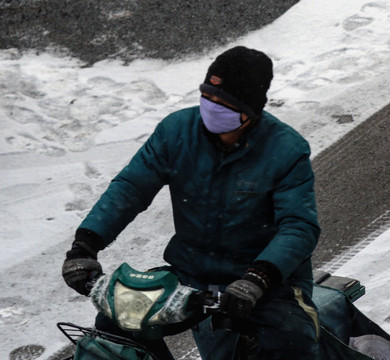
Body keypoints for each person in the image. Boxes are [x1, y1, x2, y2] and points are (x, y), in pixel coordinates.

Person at [61, 46, 321, 359]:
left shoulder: (287, 149)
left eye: (224, 103)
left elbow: (299, 227)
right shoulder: (176, 132)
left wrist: (258, 278)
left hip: (267, 283)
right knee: (117, 327)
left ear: (250, 111)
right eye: (208, 96)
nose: (212, 107)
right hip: (191, 273)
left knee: (291, 340)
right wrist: (85, 244)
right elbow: (131, 188)